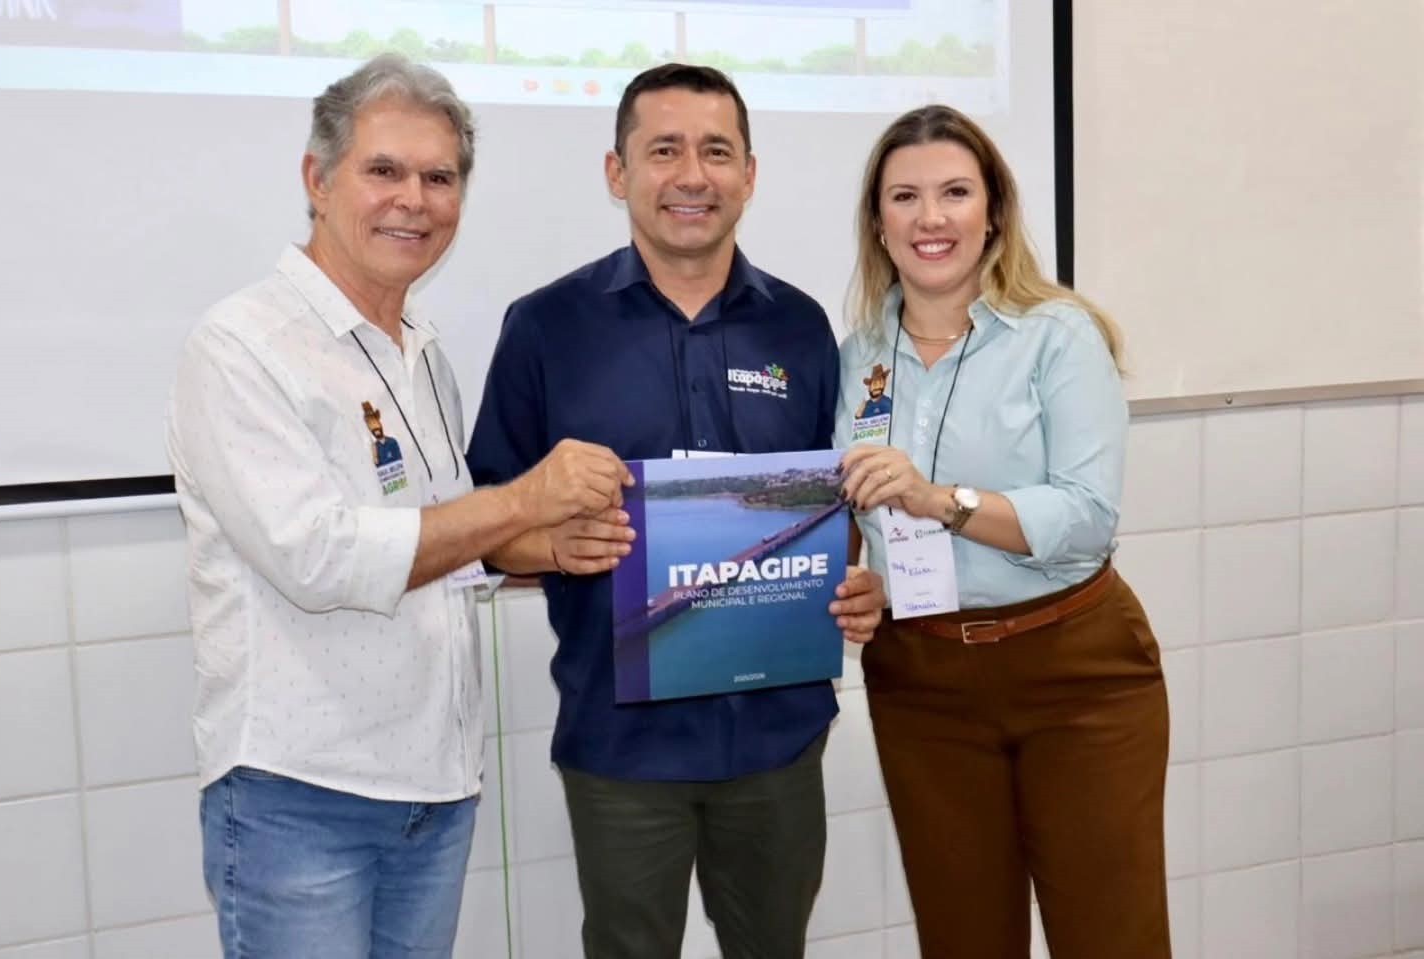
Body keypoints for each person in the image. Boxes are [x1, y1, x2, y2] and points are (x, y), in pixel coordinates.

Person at [166, 54, 630, 959]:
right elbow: (321, 559)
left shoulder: (421, 351)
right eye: (384, 170)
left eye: (439, 178)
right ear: (317, 178)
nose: (413, 200)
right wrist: (523, 498)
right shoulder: (240, 346)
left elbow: (438, 538)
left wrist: (544, 543)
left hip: (433, 788)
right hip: (300, 795)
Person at [466, 63, 887, 959]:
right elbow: (488, 526)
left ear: (749, 174)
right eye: (663, 150)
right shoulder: (545, 327)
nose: (691, 175)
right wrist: (553, 542)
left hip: (777, 736)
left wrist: (852, 579)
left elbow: (836, 503)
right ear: (617, 172)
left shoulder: (801, 327)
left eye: (716, 152)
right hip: (622, 745)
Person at [836, 104, 1170, 959]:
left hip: (1074, 671)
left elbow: (1086, 518)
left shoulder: (1058, 336)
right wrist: (861, 580)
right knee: (962, 940)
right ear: (877, 222)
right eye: (904, 196)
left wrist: (939, 499)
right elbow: (851, 508)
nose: (930, 217)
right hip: (920, 681)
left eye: (954, 192)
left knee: (1111, 938)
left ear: (993, 212)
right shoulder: (857, 355)